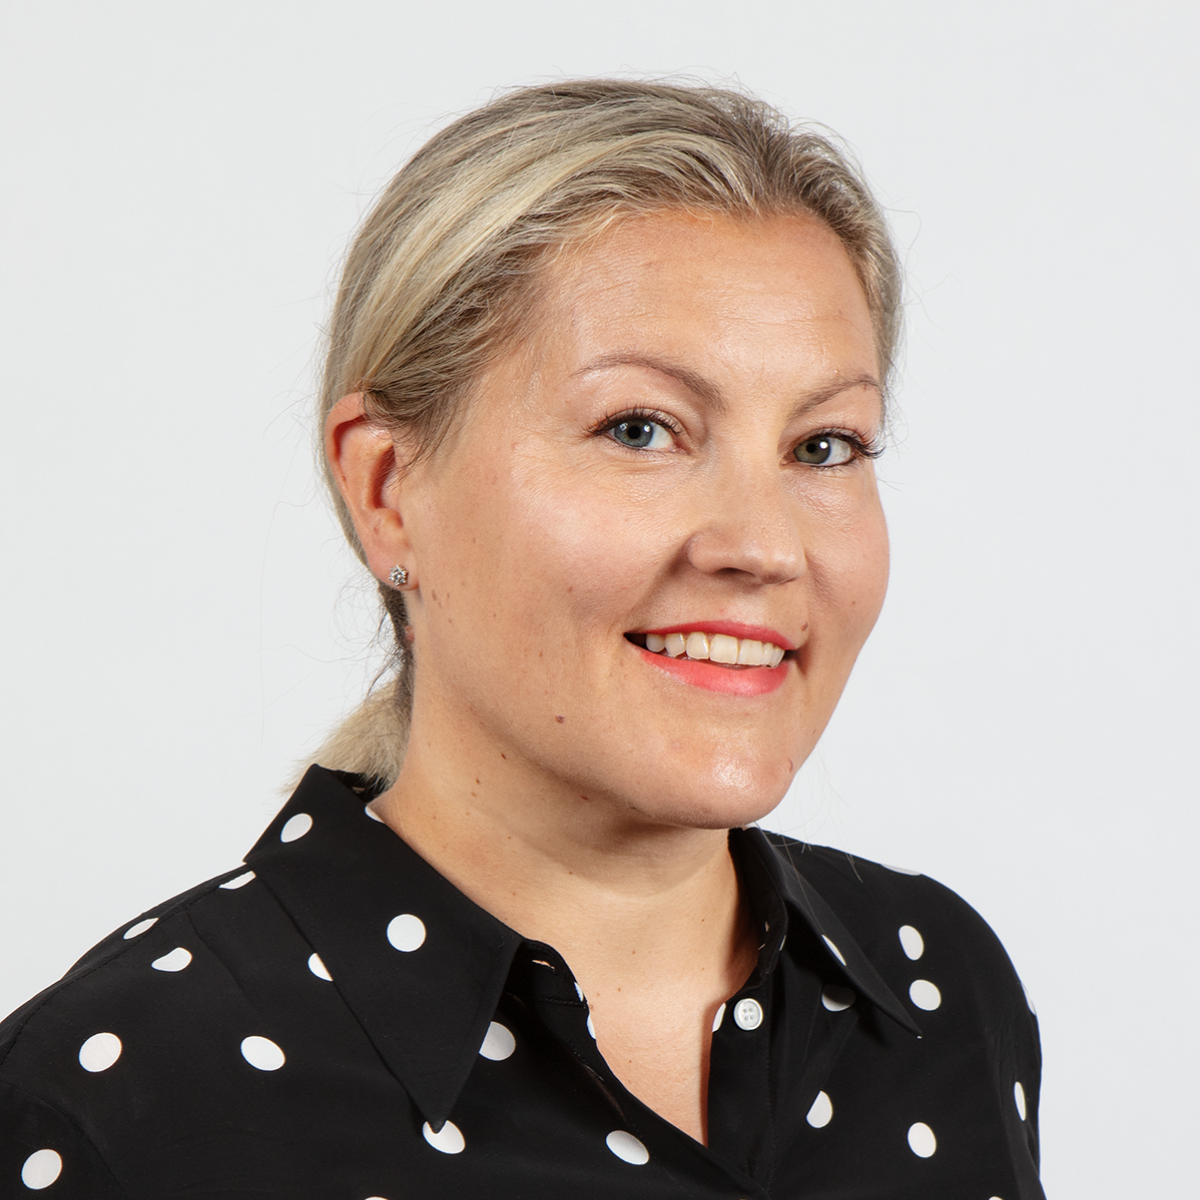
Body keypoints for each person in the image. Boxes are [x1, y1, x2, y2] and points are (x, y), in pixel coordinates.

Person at [0, 80, 1045, 1198]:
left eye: (825, 445)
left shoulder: (941, 991)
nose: (763, 546)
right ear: (388, 488)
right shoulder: (118, 1105)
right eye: (640, 429)